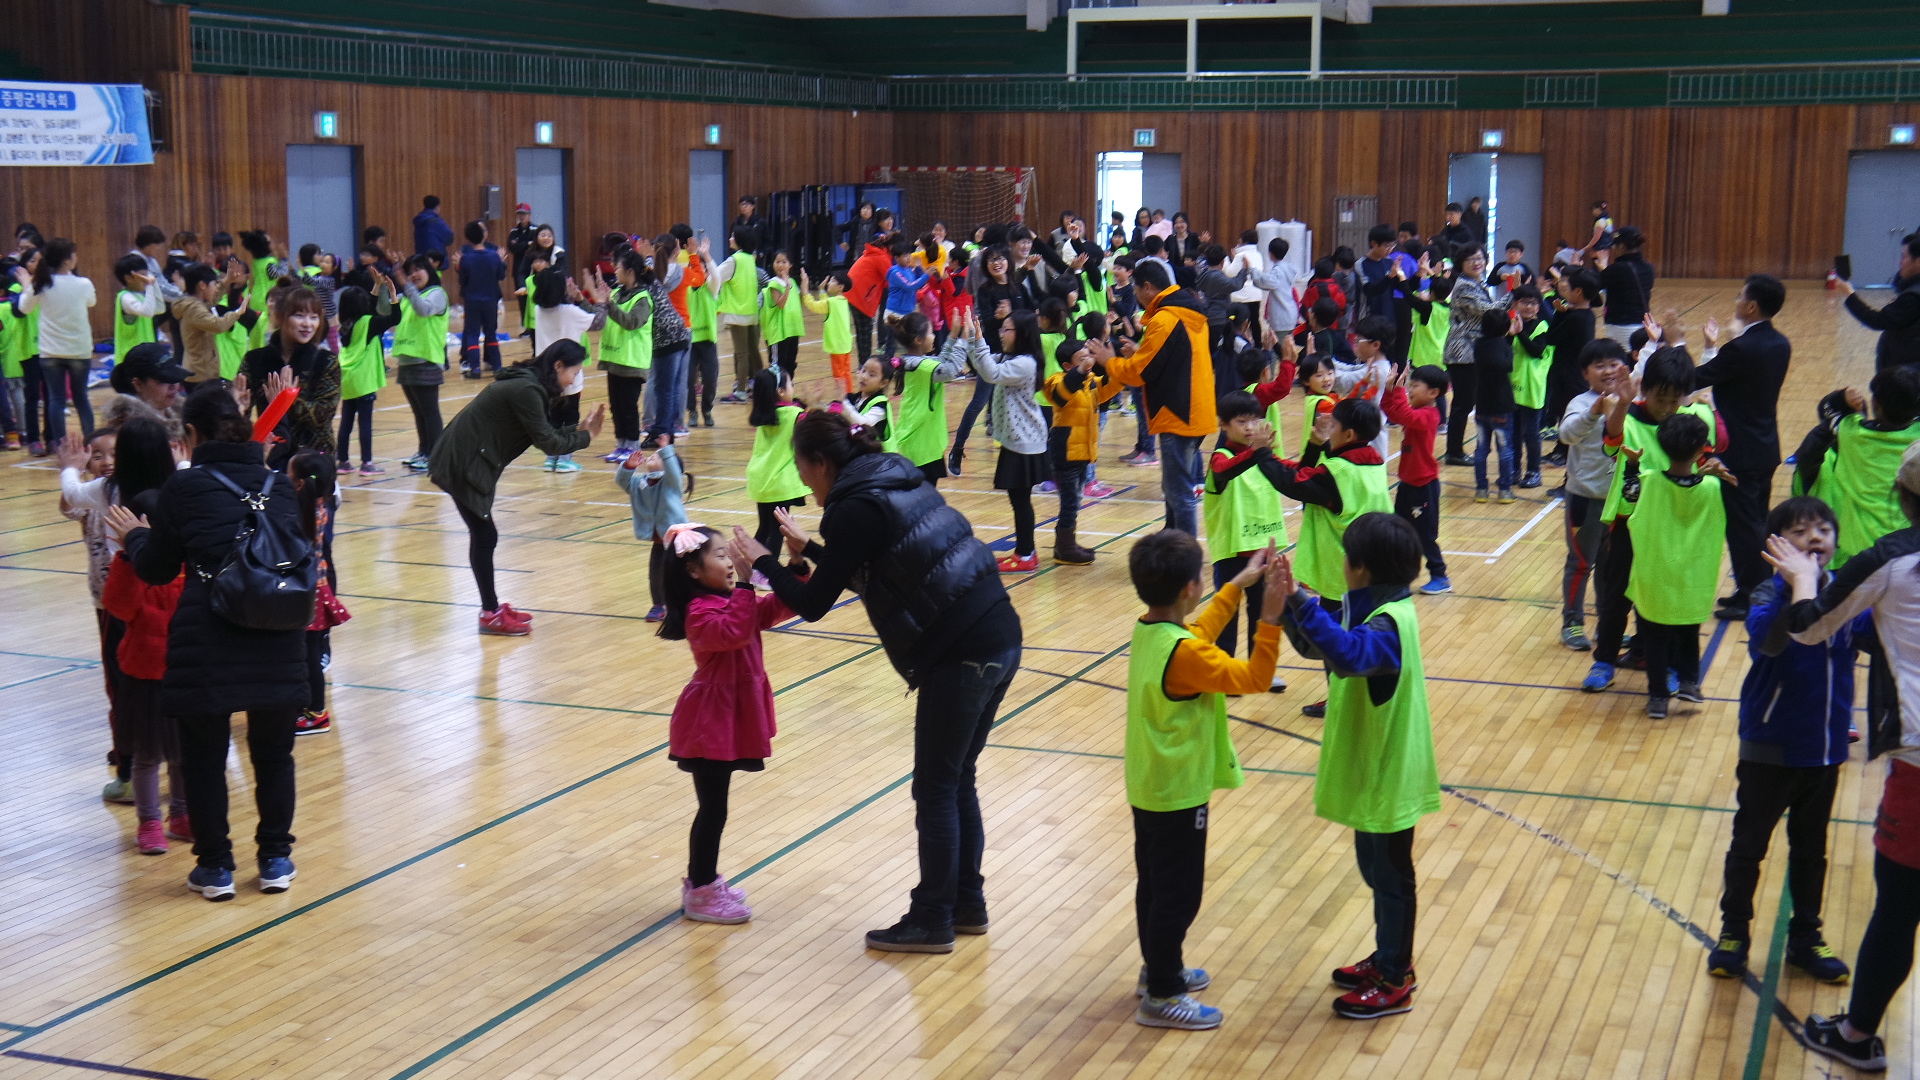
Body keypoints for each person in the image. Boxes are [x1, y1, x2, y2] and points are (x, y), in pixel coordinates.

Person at [733, 407, 1018, 955]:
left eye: (803, 470)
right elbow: (882, 568)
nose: (804, 484)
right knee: (956, 779)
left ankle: (932, 918)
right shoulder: (892, 475)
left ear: (821, 463)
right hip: (998, 633)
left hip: (960, 650)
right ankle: (966, 903)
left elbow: (813, 603)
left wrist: (766, 562)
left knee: (936, 787)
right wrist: (810, 551)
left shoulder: (853, 507)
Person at [117, 386, 310, 901]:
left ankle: (216, 868)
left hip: (209, 634)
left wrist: (134, 536)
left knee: (204, 758)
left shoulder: (184, 487)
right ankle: (275, 859)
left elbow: (157, 569)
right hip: (277, 632)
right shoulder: (277, 483)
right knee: (275, 756)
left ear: (191, 434)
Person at [1773, 454, 1920, 1072]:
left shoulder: (1891, 559)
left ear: (1901, 495)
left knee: (1900, 909)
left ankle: (1856, 1038)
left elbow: (1808, 627)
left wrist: (1804, 578)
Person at [1276, 512, 1441, 1019]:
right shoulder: (1372, 608)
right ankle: (1388, 954)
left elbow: (1348, 655)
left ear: (1360, 567)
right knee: (1376, 870)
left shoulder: (1388, 624)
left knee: (1391, 877)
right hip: (1375, 769)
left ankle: (1395, 977)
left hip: (1390, 773)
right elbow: (1318, 647)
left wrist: (1302, 600)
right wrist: (1288, 602)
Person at [1123, 531, 1282, 1031]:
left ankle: (1159, 969)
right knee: (1178, 895)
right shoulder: (1187, 653)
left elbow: (1198, 633)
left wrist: (1238, 584)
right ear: (1190, 588)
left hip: (1150, 785)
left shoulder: (1152, 630)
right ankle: (1163, 993)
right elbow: (1255, 678)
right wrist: (1270, 619)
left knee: (1155, 885)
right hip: (1178, 791)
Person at [1703, 496, 1857, 983]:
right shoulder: (1767, 595)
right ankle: (1733, 933)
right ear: (1776, 546)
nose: (1814, 538)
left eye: (1823, 530)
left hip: (1825, 750)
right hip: (1770, 747)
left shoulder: (1848, 596)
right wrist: (1799, 588)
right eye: (1800, 531)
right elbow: (1769, 643)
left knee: (1811, 851)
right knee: (1749, 846)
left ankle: (1806, 938)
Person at [657, 521, 802, 925]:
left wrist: (794, 564)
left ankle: (703, 883)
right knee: (713, 809)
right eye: (720, 555)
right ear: (693, 571)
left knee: (716, 808)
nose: (728, 561)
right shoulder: (699, 612)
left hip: (729, 717)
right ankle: (700, 890)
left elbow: (777, 608)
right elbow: (735, 632)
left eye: (728, 554)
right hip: (709, 722)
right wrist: (744, 583)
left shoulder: (731, 600)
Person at [428, 339, 606, 636]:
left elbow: (542, 433)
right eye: (574, 373)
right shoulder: (527, 390)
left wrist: (578, 430)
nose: (573, 380)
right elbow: (549, 444)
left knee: (484, 535)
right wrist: (587, 436)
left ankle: (492, 608)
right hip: (461, 462)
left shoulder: (529, 384)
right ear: (558, 366)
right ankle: (490, 613)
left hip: (466, 458)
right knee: (485, 536)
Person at [1582, 346, 1720, 693]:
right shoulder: (1627, 416)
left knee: (1665, 597)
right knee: (1616, 597)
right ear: (1646, 389)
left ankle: (1669, 667)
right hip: (1628, 522)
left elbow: (1705, 459)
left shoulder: (1694, 418)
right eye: (1661, 398)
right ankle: (1604, 661)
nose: (1668, 407)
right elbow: (1612, 441)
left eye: (1675, 400)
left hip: (1671, 526)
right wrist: (1623, 403)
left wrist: (1712, 469)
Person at [1692, 274, 1790, 621]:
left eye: (1739, 296)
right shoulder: (1780, 343)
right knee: (1757, 524)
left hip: (1739, 453)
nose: (1735, 301)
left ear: (1751, 306)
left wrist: (1663, 361)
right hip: (1765, 447)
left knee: (1744, 529)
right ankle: (1753, 589)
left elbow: (1699, 378)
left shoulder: (1742, 348)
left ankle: (1751, 598)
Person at [1625, 412, 1730, 717]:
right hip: (1693, 577)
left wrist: (1632, 466)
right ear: (1700, 450)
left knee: (1655, 640)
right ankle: (1689, 683)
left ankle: (1658, 697)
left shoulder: (1650, 481)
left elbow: (1629, 495)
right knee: (1688, 632)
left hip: (1654, 575)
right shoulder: (1712, 487)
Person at [1102, 259, 1214, 536]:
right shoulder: (1188, 311)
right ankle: (1171, 541)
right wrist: (1138, 353)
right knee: (1174, 487)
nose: (1136, 295)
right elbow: (1172, 358)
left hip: (1177, 411)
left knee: (1179, 492)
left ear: (1148, 287)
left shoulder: (1165, 318)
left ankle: (1185, 553)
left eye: (1137, 289)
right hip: (1195, 407)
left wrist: (1109, 361)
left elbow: (1140, 373)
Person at [1791, 367, 1920, 569]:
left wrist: (1841, 398)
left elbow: (1827, 412)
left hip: (1862, 552)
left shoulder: (1851, 432)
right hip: (1910, 546)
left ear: (1876, 403)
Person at [1202, 390, 1292, 668]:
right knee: (1227, 612)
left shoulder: (1264, 456)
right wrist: (1256, 452)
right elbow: (1226, 470)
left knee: (1262, 613)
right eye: (1242, 422)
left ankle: (1258, 668)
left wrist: (1316, 446)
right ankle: (1224, 668)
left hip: (1262, 550)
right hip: (1231, 552)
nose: (1250, 427)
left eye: (1254, 420)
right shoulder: (1220, 457)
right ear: (1223, 425)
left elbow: (1293, 470)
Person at [1557, 341, 1631, 650]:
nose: (1608, 371)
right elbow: (1566, 434)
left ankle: (1607, 626)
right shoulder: (1580, 403)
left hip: (1620, 502)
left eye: (1614, 364)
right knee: (1580, 563)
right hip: (1585, 501)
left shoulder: (1630, 401)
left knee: (1611, 568)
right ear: (1585, 373)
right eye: (1599, 366)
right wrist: (1593, 412)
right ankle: (1572, 624)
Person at [972, 310, 1051, 572]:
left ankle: (1026, 555)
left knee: (1020, 500)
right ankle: (1025, 552)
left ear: (1022, 334)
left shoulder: (1025, 363)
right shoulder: (1011, 358)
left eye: (1007, 329)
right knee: (1018, 499)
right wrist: (969, 337)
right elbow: (983, 364)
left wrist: (979, 340)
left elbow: (992, 373)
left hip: (1025, 440)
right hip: (1016, 439)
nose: (1002, 334)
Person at [1045, 334, 1123, 564]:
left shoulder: (1091, 383)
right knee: (1070, 502)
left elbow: (1113, 385)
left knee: (1075, 499)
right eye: (1082, 359)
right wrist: (1080, 372)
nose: (1089, 362)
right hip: (1066, 452)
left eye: (1090, 357)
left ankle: (1066, 543)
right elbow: (1062, 394)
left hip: (1082, 453)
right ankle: (1064, 548)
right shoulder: (1056, 381)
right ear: (1067, 366)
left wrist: (1113, 362)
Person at [242, 288, 339, 468]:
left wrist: (287, 400)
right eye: (299, 315)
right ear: (279, 317)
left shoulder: (326, 361)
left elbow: (323, 415)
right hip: (270, 458)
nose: (307, 324)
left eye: (314, 317)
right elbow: (240, 418)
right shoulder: (254, 360)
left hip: (314, 461)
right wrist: (238, 405)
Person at [17, 238, 98, 438]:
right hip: (79, 350)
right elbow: (91, 302)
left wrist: (26, 284)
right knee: (81, 398)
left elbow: (24, 308)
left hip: (50, 351)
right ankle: (90, 440)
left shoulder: (41, 284)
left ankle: (61, 445)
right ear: (67, 260)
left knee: (56, 399)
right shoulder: (83, 283)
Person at [288, 449, 345, 738]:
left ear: (299, 483)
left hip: (307, 591)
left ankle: (315, 713)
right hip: (316, 589)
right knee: (308, 652)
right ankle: (308, 709)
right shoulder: (322, 505)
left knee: (308, 654)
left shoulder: (302, 513)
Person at [1383, 364, 1451, 596]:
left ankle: (1440, 576)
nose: (1409, 389)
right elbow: (1393, 413)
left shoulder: (1430, 415)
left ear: (1433, 393)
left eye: (1414, 386)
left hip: (1424, 486)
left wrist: (1398, 390)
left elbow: (1404, 414)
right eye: (1409, 385)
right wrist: (1390, 390)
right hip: (1407, 484)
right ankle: (1400, 576)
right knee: (1400, 532)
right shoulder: (1415, 411)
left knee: (1425, 536)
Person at [618, 426, 691, 623]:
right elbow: (622, 482)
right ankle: (658, 605)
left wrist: (666, 450)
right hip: (659, 540)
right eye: (654, 454)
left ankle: (688, 602)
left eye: (659, 456)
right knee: (655, 574)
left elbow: (674, 473)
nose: (653, 456)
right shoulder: (640, 483)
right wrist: (628, 467)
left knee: (682, 573)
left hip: (677, 539)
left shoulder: (671, 483)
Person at [1442, 244, 1508, 465]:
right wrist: (1514, 295)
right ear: (1461, 263)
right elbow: (1489, 311)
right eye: (1471, 259)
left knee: (1466, 402)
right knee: (1463, 403)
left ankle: (1455, 450)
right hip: (1462, 352)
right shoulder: (1464, 286)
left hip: (1472, 350)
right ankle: (1454, 452)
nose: (1477, 262)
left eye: (1480, 258)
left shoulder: (1477, 282)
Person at [890, 310, 971, 487]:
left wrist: (953, 336)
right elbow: (950, 370)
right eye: (931, 333)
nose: (934, 336)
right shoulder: (920, 365)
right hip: (920, 439)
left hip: (924, 438)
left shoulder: (916, 361)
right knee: (922, 493)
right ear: (918, 340)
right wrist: (963, 340)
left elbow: (940, 363)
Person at [391, 256, 451, 472]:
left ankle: (435, 455)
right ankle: (424, 451)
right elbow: (385, 311)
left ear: (429, 270)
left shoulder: (437, 294)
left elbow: (423, 310)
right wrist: (382, 288)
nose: (413, 275)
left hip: (426, 360)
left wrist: (406, 285)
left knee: (430, 412)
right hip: (407, 359)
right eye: (409, 272)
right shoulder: (408, 296)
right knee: (419, 412)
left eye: (418, 269)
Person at [596, 248, 656, 461]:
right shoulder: (615, 293)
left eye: (618, 267)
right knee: (616, 407)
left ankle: (632, 446)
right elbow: (599, 316)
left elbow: (631, 322)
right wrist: (584, 297)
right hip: (615, 359)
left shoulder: (643, 298)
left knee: (628, 407)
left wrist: (609, 305)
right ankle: (621, 445)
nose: (615, 270)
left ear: (630, 271)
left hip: (632, 362)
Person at [334, 281, 399, 476]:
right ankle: (367, 463)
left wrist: (376, 288)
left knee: (346, 422)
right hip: (364, 380)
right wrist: (392, 295)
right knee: (365, 423)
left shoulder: (345, 325)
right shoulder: (369, 323)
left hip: (348, 378)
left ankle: (343, 461)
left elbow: (368, 310)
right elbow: (395, 318)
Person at [745, 365, 809, 551]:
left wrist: (802, 403)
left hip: (760, 479)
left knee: (764, 528)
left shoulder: (764, 414)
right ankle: (769, 566)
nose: (793, 388)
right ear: (781, 391)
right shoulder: (796, 415)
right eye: (791, 385)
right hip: (780, 482)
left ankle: (753, 563)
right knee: (777, 531)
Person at [1837, 234, 1920, 371]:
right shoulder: (1911, 290)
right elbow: (1899, 284)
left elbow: (1877, 320)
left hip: (1907, 370)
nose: (1899, 262)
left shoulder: (1913, 298)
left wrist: (1849, 294)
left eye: (1903, 257)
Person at [709, 226, 764, 402]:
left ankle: (740, 391)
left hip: (738, 312)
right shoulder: (750, 258)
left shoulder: (734, 260)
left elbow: (714, 277)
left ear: (739, 240)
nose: (730, 239)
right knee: (753, 351)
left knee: (741, 353)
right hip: (752, 311)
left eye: (733, 236)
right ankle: (760, 386)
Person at [172, 263, 249, 386]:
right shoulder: (194, 309)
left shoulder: (194, 304)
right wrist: (237, 313)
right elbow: (218, 325)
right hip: (199, 374)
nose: (215, 288)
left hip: (202, 372)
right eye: (214, 284)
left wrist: (227, 281)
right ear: (202, 286)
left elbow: (213, 298)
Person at [1472, 308, 1517, 504]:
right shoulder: (1504, 345)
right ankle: (1505, 490)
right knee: (1505, 450)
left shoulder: (1478, 344)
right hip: (1502, 405)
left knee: (1481, 450)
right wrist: (1510, 339)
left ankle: (1481, 489)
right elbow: (1507, 365)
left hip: (1482, 404)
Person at [1509, 285, 1552, 487]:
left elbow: (1536, 351)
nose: (1529, 307)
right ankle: (1514, 469)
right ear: (1516, 304)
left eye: (1533, 303)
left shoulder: (1542, 327)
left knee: (1531, 433)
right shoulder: (1511, 325)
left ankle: (1534, 472)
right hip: (1513, 384)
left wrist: (1519, 334)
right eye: (1524, 302)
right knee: (1514, 433)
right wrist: (1511, 334)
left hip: (1532, 387)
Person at [456, 220, 506, 377]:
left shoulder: (466, 258)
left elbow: (462, 280)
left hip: (472, 301)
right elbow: (501, 275)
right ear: (483, 235)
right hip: (491, 300)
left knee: (472, 334)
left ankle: (475, 368)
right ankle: (497, 366)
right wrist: (501, 262)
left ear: (468, 238)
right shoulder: (494, 256)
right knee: (491, 333)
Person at [1597, 226, 1654, 346]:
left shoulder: (1616, 269)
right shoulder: (1649, 268)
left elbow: (1594, 286)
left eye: (1615, 245)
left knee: (1620, 357)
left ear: (1622, 246)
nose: (1613, 248)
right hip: (1643, 325)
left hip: (1621, 326)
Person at [803, 269, 855, 396]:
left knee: (839, 374)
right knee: (846, 372)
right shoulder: (843, 301)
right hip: (845, 344)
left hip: (837, 346)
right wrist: (821, 290)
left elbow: (814, 305)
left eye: (832, 281)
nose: (829, 283)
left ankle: (843, 398)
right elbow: (826, 304)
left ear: (840, 287)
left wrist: (805, 290)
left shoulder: (832, 302)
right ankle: (849, 395)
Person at [110, 253, 163, 367]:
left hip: (145, 356)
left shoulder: (141, 296)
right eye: (143, 276)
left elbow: (160, 308)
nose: (146, 279)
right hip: (130, 358)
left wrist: (154, 284)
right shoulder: (125, 297)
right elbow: (147, 312)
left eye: (147, 275)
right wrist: (149, 285)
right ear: (128, 278)